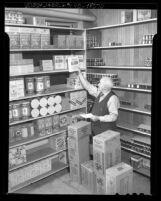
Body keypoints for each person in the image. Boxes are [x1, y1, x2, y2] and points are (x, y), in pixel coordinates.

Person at [78, 68, 120, 140]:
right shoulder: (100, 93)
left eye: (100, 83)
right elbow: (88, 87)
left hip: (106, 132)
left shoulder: (112, 98)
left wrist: (98, 118)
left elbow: (113, 116)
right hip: (97, 130)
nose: (98, 84)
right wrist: (80, 74)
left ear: (105, 87)